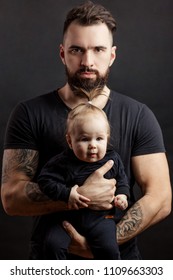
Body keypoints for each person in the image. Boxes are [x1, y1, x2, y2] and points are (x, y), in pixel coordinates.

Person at [1, 1, 172, 260]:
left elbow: (160, 198)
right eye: (77, 50)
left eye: (98, 49)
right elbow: (12, 198)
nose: (87, 61)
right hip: (50, 262)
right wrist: (77, 196)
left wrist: (103, 242)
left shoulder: (138, 115)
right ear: (63, 54)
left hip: (116, 261)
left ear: (112, 55)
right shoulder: (29, 113)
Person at [37, 100, 130, 259]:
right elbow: (45, 181)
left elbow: (122, 180)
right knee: (52, 244)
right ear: (70, 141)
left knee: (109, 249)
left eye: (99, 139)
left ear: (107, 138)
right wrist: (67, 194)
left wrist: (122, 195)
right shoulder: (62, 162)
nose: (93, 145)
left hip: (100, 219)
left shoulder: (112, 159)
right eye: (85, 139)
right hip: (66, 219)